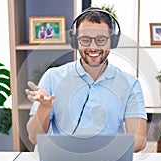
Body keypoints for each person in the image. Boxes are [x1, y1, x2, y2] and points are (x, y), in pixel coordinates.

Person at [25, 8, 147, 152]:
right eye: (85, 39)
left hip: (107, 160)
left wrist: (99, 153)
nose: (93, 47)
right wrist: (44, 108)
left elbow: (138, 139)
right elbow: (33, 137)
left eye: (101, 39)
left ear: (113, 41)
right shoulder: (52, 77)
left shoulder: (130, 84)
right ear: (75, 41)